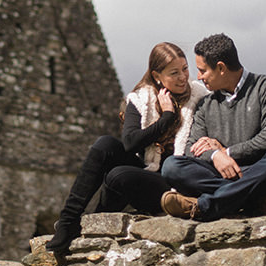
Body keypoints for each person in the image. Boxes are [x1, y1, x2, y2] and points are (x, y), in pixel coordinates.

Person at [45, 42, 209, 253]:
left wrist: (169, 118)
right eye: (174, 72)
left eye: (185, 69)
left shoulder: (200, 97)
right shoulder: (142, 98)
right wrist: (165, 118)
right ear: (157, 76)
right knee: (105, 144)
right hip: (148, 171)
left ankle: (94, 221)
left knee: (119, 175)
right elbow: (130, 143)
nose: (183, 77)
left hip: (175, 183)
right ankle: (68, 220)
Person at [160, 33, 266, 221]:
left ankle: (206, 205)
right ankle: (257, 198)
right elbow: (190, 148)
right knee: (171, 167)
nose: (198, 77)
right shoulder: (205, 104)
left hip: (259, 168)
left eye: (203, 70)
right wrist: (215, 156)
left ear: (221, 68)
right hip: (243, 177)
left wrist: (227, 153)